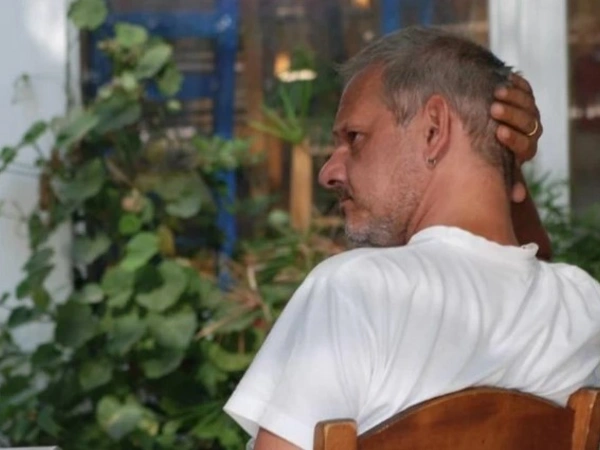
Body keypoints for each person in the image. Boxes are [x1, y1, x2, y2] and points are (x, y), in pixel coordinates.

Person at [224, 27, 600, 450]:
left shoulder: (356, 291)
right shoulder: (582, 307)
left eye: (354, 138)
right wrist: (509, 171)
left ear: (433, 129)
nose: (328, 172)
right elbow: (513, 270)